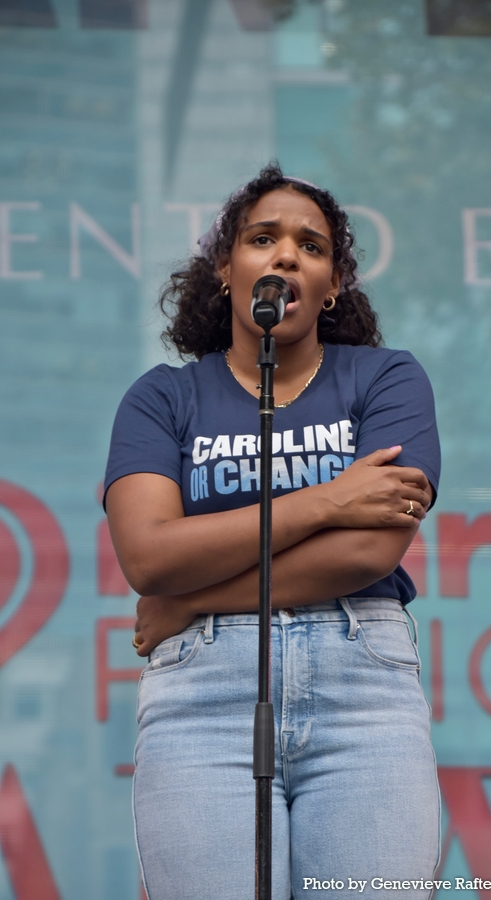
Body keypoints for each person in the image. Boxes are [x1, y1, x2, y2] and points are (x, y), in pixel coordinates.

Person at [104, 163, 441, 900]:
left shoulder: (385, 380)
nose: (287, 255)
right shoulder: (163, 399)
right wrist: (329, 499)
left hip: (363, 700)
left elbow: (369, 551)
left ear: (333, 285)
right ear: (226, 270)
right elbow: (150, 556)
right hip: (201, 704)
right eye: (263, 238)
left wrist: (197, 600)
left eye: (311, 247)